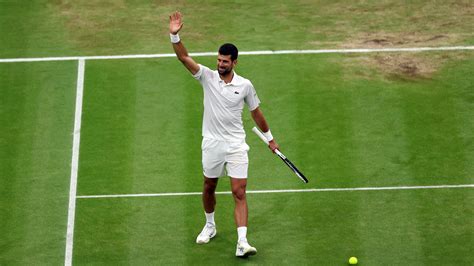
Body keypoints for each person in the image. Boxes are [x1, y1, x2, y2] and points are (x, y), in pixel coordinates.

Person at [169, 11, 279, 257]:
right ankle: (210, 225)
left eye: (225, 62)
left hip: (236, 145)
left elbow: (256, 113)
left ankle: (242, 242)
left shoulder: (245, 86)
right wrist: (174, 36)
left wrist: (270, 138)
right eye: (218, 60)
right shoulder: (207, 77)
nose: (220, 64)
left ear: (234, 63)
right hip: (212, 144)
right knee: (209, 186)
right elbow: (184, 58)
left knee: (239, 191)